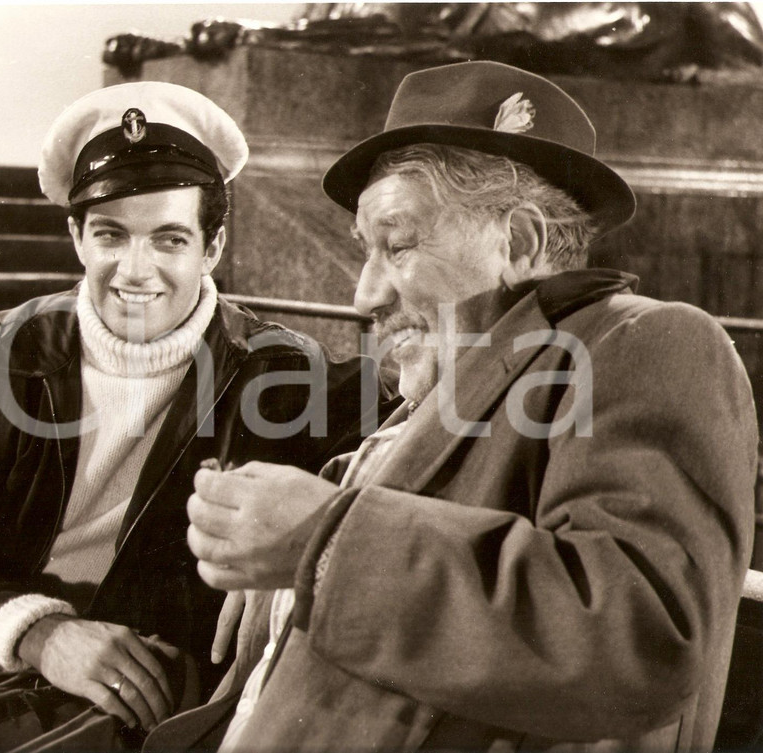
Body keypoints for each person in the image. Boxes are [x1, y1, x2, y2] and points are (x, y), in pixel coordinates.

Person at [147, 61, 759, 752]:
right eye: (365, 252)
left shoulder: (649, 338)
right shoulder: (446, 388)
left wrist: (323, 543)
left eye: (398, 244)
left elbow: (642, 633)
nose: (363, 295)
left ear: (520, 243)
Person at [0, 81, 385, 742]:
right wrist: (39, 631)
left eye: (169, 240)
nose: (134, 270)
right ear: (76, 237)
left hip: (61, 705)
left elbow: (416, 470)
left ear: (214, 247)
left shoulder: (293, 380)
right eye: (110, 234)